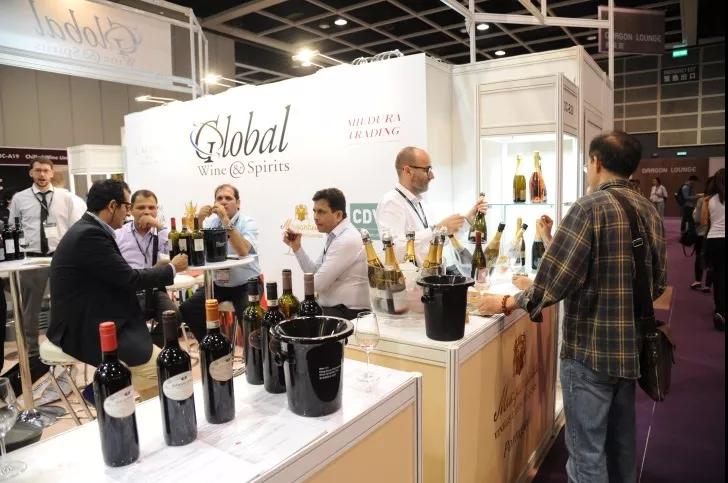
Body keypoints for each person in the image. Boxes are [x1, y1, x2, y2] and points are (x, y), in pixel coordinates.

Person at [479, 131, 667, 483]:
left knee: (585, 454)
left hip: (589, 351)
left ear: (596, 162)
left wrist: (507, 301)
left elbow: (557, 280)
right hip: (631, 351)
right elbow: (657, 283)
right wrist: (551, 241)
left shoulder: (588, 207)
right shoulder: (647, 209)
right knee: (621, 448)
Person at [45, 179, 188, 400]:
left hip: (100, 310)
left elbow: (118, 276)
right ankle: (108, 392)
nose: (128, 213)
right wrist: (171, 268)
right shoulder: (90, 235)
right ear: (112, 206)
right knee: (162, 370)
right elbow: (128, 278)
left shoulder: (90, 229)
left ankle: (116, 391)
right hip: (84, 324)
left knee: (164, 335)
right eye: (127, 207)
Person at [5, 157, 86, 393]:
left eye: (46, 171)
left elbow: (74, 227)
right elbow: (14, 227)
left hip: (59, 256)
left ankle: (60, 346)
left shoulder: (65, 197)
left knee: (62, 304)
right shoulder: (20, 198)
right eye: (38, 170)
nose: (42, 174)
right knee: (30, 308)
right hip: (31, 259)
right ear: (31, 173)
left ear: (52, 173)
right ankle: (32, 354)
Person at [179, 184, 262, 343]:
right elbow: (194, 251)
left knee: (249, 316)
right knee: (188, 308)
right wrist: (198, 222)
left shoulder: (247, 222)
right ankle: (214, 347)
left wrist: (226, 221)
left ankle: (254, 355)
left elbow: (243, 251)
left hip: (246, 283)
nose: (223, 202)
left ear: (238, 203)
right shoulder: (210, 223)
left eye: (228, 198)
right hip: (217, 284)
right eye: (219, 198)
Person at [376, 146, 486, 264]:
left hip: (432, 273)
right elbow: (394, 250)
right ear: (407, 171)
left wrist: (467, 221)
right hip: (412, 276)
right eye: (427, 170)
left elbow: (437, 241)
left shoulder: (420, 202)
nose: (432, 176)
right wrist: (436, 229)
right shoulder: (391, 202)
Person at [283, 188, 369, 319]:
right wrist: (296, 247)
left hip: (348, 313)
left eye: (321, 212)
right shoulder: (335, 235)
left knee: (293, 319)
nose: (315, 217)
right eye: (314, 211)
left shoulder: (346, 239)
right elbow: (313, 272)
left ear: (338, 215)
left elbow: (317, 285)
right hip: (334, 310)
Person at [115, 189, 179, 347]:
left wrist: (159, 226)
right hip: (130, 292)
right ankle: (140, 348)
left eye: (151, 207)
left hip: (154, 291)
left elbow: (178, 252)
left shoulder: (162, 233)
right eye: (141, 207)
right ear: (130, 210)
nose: (147, 212)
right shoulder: (119, 234)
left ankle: (152, 348)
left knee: (174, 316)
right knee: (127, 324)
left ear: (157, 210)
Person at [701, 168, 725, 330]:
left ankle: (719, 310)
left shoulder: (709, 200)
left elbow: (704, 221)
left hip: (713, 240)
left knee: (718, 277)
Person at [690, 177, 714, 292]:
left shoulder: (702, 200)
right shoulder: (720, 200)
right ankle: (708, 285)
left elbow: (697, 218)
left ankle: (698, 281)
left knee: (699, 256)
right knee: (712, 259)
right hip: (715, 234)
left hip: (701, 232)